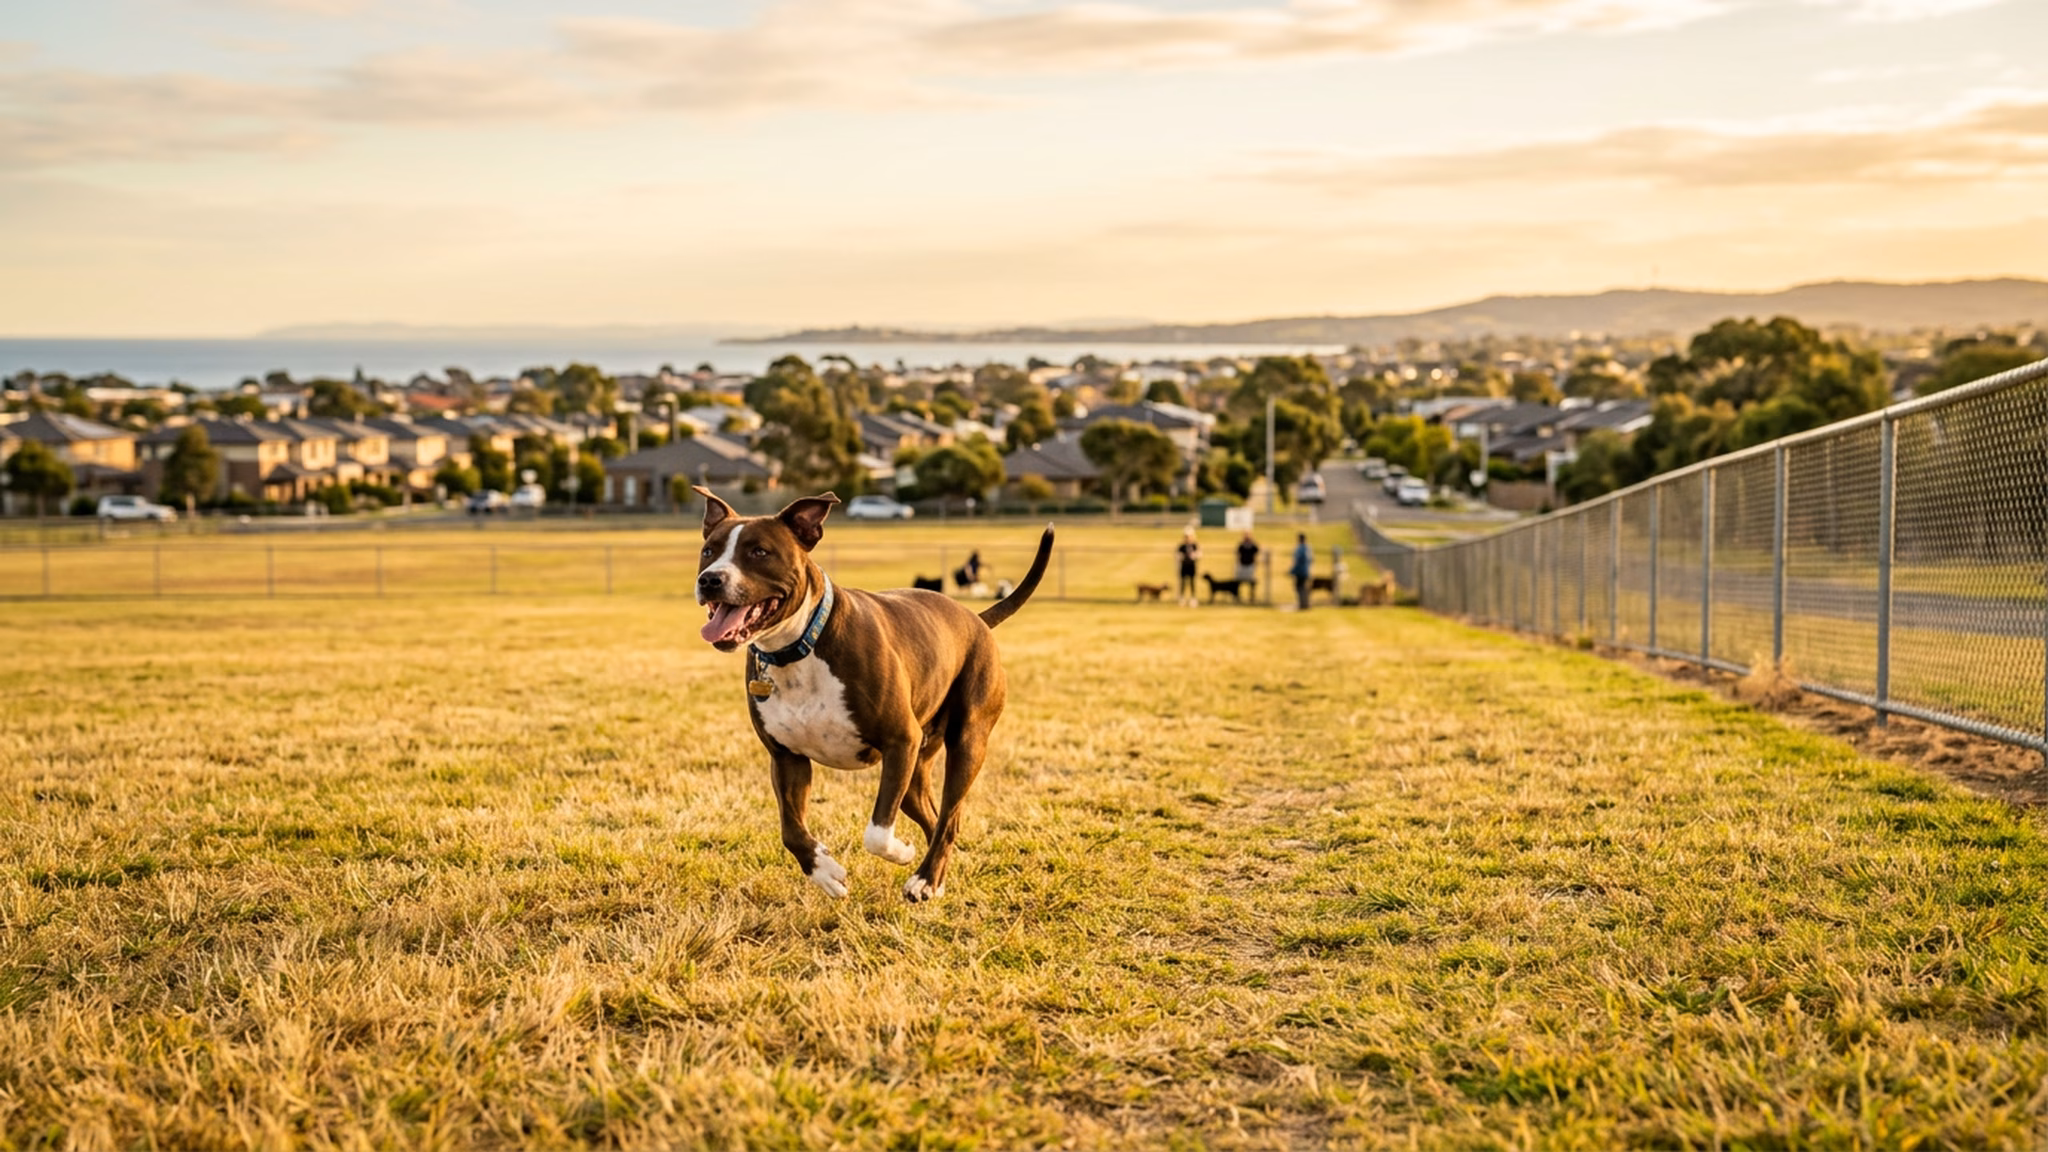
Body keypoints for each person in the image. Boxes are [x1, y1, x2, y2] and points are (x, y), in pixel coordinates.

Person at [1175, 528, 1201, 607]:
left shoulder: (1194, 545)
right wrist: (1181, 557)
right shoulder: (1181, 546)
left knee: (1192, 582)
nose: (1188, 538)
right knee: (1183, 582)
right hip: (1183, 566)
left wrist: (1195, 555)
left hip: (1191, 566)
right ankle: (1182, 598)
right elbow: (1177, 555)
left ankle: (1193, 598)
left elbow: (1199, 554)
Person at [1290, 532, 1313, 611]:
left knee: (1300, 588)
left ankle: (1303, 604)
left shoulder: (1301, 549)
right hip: (1306, 571)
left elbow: (1298, 561)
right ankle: (1304, 604)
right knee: (1303, 587)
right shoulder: (1308, 548)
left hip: (1300, 572)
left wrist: (1292, 571)